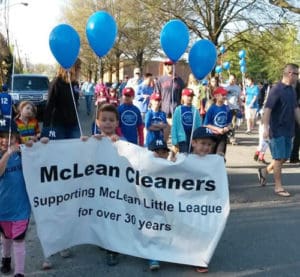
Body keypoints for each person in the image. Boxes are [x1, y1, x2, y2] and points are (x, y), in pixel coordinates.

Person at [258, 63, 300, 197]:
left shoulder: (292, 90)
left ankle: (264, 171)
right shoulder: (276, 89)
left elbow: (296, 109)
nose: (298, 77)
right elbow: (268, 109)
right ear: (290, 74)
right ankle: (278, 187)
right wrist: (265, 128)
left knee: (284, 157)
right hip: (277, 130)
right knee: (278, 158)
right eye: (297, 74)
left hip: (289, 129)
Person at [0, 118, 31, 277]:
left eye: (9, 136)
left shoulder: (22, 153)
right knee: (6, 237)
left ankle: (19, 272)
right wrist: (7, 154)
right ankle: (5, 259)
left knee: (18, 240)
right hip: (3, 209)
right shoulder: (4, 154)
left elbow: (40, 158)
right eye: (1, 137)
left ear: (16, 138)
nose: (5, 140)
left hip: (21, 208)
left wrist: (37, 145)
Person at [190, 126, 217, 273]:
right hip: (185, 204)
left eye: (209, 144)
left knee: (201, 230)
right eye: (203, 143)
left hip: (203, 205)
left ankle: (199, 259)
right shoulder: (184, 159)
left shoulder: (213, 162)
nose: (206, 147)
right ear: (193, 143)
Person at [41, 58, 81, 140]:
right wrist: (46, 129)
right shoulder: (56, 83)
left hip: (73, 123)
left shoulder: (75, 83)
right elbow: (49, 106)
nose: (80, 70)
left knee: (74, 149)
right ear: (72, 68)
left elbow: (75, 103)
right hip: (58, 125)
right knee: (60, 149)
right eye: (78, 67)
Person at [155, 59, 185, 141]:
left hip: (176, 111)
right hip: (163, 111)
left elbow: (182, 97)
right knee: (164, 137)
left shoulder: (179, 80)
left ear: (174, 66)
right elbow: (156, 96)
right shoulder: (160, 80)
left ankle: (175, 152)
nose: (168, 67)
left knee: (176, 138)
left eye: (170, 65)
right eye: (166, 65)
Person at [204, 87, 232, 158]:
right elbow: (206, 124)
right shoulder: (212, 109)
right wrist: (217, 129)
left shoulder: (227, 108)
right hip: (212, 136)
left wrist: (227, 127)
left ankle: (220, 165)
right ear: (216, 96)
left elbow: (229, 122)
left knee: (220, 155)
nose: (224, 96)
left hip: (222, 136)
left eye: (225, 95)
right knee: (210, 156)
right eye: (222, 95)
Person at [171, 88, 202, 153]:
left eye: (191, 96)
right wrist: (174, 140)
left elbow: (199, 125)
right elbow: (174, 126)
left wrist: (199, 138)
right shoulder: (178, 110)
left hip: (193, 137)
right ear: (183, 97)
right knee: (184, 154)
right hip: (182, 137)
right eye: (188, 96)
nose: (190, 98)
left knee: (192, 155)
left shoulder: (195, 110)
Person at [225, 73, 242, 145]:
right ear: (229, 79)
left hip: (235, 107)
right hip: (227, 107)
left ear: (235, 80)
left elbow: (239, 98)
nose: (232, 80)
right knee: (228, 123)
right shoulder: (226, 87)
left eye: (233, 79)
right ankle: (228, 137)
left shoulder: (238, 88)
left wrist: (240, 106)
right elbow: (223, 97)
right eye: (230, 79)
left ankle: (232, 138)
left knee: (233, 123)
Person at [289, 79, 300, 163]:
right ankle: (293, 156)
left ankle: (294, 156)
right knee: (297, 135)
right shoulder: (296, 83)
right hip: (297, 112)